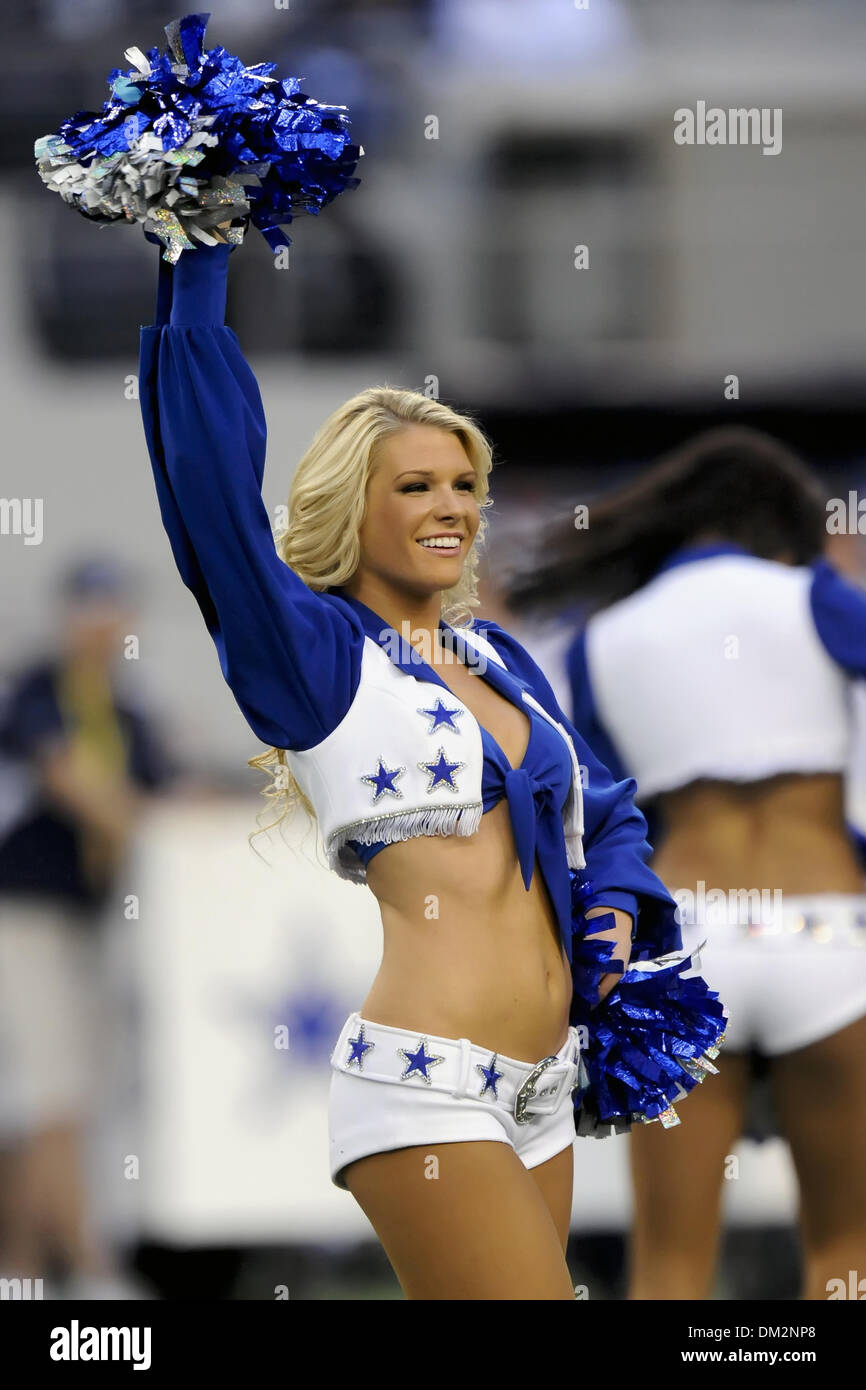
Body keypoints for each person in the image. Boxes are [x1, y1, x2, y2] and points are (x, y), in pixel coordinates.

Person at [136, 236, 723, 1301]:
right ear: (352, 509)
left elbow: (610, 808)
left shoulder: (499, 660)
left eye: (466, 484)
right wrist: (197, 257)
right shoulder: (314, 658)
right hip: (425, 1087)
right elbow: (211, 494)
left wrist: (615, 922)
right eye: (416, 486)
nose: (453, 507)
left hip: (544, 1088)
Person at [504, 426, 866, 1300]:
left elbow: (596, 817)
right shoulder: (819, 596)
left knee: (668, 1263)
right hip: (828, 938)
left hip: (688, 948)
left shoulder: (601, 639)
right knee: (847, 1251)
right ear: (780, 528)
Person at [0, 556, 175, 1298]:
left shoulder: (128, 712)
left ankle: (23, 1271)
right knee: (54, 1095)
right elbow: (73, 781)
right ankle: (84, 1266)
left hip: (90, 922)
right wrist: (143, 819)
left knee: (60, 1100)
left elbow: (171, 794)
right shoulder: (38, 691)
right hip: (25, 917)